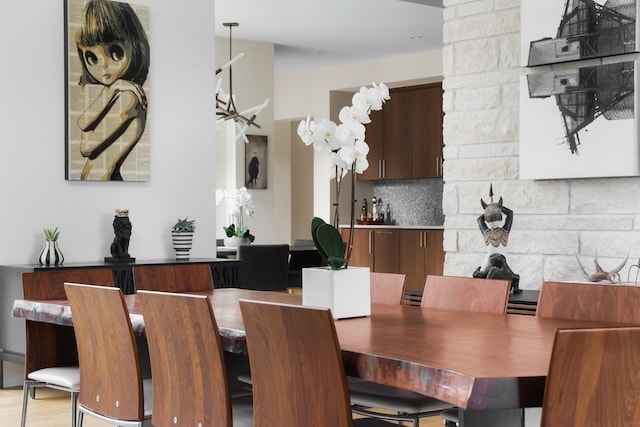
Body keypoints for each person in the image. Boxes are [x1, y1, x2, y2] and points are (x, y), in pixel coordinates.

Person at [75, 0, 149, 181]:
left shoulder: (128, 98)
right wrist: (115, 86)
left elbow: (86, 147)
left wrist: (116, 89)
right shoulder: (119, 91)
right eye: (91, 57)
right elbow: (83, 122)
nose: (104, 67)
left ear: (135, 47)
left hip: (104, 180)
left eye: (116, 52)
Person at [472, 185, 521, 293]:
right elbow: (479, 219)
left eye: (496, 220)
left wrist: (498, 208)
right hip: (488, 260)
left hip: (500, 262)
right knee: (476, 275)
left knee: (493, 276)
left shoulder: (504, 232)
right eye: (490, 221)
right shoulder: (486, 233)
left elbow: (510, 214)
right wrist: (489, 209)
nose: (493, 223)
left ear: (500, 219)